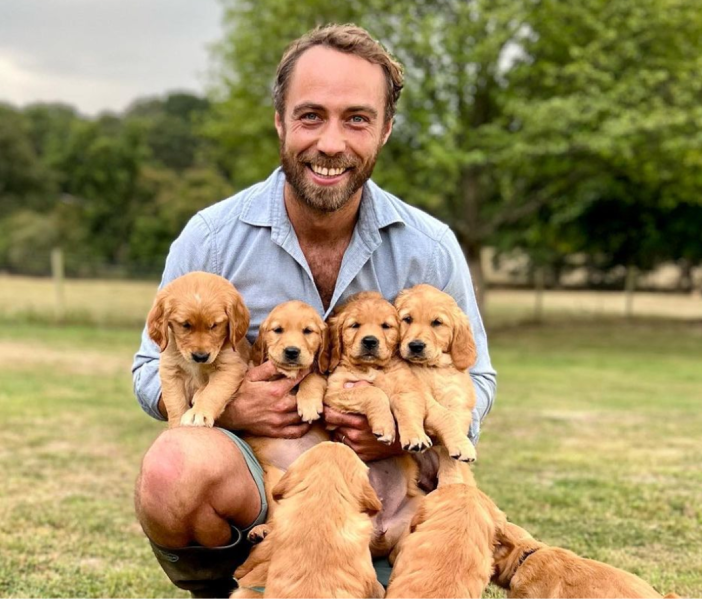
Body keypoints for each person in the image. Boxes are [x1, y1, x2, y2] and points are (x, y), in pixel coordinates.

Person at [132, 23, 497, 599]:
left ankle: (381, 569)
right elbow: (149, 370)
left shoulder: (429, 247)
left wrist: (412, 430)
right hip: (270, 481)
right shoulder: (210, 238)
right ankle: (246, 579)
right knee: (174, 467)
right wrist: (230, 404)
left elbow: (475, 375)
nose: (331, 142)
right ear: (280, 122)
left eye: (356, 118)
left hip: (394, 482)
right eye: (310, 116)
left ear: (385, 130)